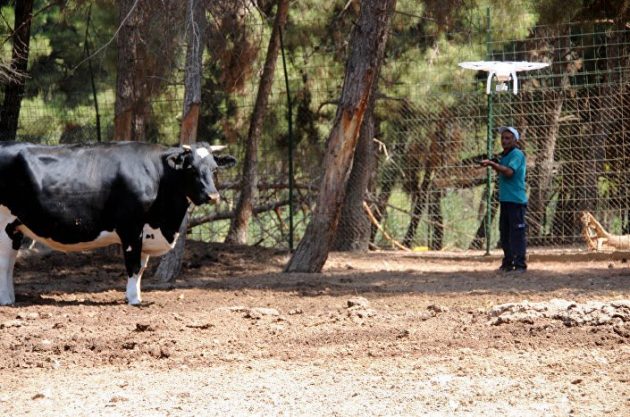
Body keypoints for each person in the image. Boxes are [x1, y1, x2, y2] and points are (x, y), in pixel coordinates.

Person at [481, 126, 527, 273]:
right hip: (505, 199)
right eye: (503, 138)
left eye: (508, 138)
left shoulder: (517, 155)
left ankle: (520, 264)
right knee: (505, 233)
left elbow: (509, 172)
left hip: (516, 200)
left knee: (517, 233)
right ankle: (508, 263)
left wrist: (493, 165)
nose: (504, 141)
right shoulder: (504, 156)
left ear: (515, 140)